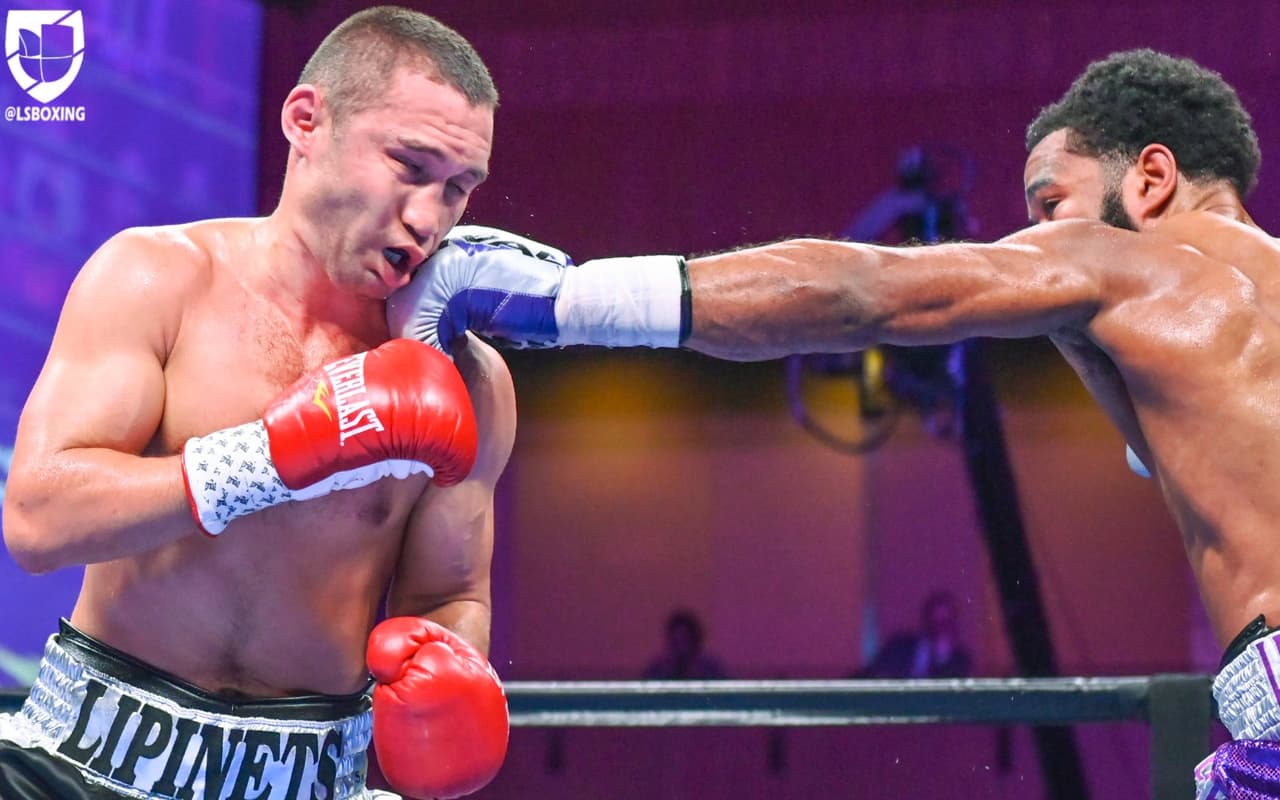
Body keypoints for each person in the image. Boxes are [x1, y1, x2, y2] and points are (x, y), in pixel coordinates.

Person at [390, 48, 1278, 796]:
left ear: (1152, 179)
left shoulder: (1123, 262)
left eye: (1050, 205)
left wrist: (564, 299)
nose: (1035, 239)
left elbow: (861, 295)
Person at [0, 7, 515, 800]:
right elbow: (36, 520)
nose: (429, 217)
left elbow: (448, 596)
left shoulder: (466, 377)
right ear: (307, 121)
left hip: (306, 777)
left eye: (458, 189)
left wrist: (453, 673)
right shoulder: (157, 279)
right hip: (79, 762)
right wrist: (264, 458)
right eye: (410, 167)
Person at [855, 590, 972, 680]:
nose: (940, 628)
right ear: (925, 619)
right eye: (935, 620)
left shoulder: (960, 660)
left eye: (946, 621)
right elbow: (877, 674)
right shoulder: (899, 646)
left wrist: (943, 659)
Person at [643, 609, 727, 680]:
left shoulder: (711, 668)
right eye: (676, 642)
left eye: (685, 640)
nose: (681, 647)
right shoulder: (658, 668)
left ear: (695, 640)